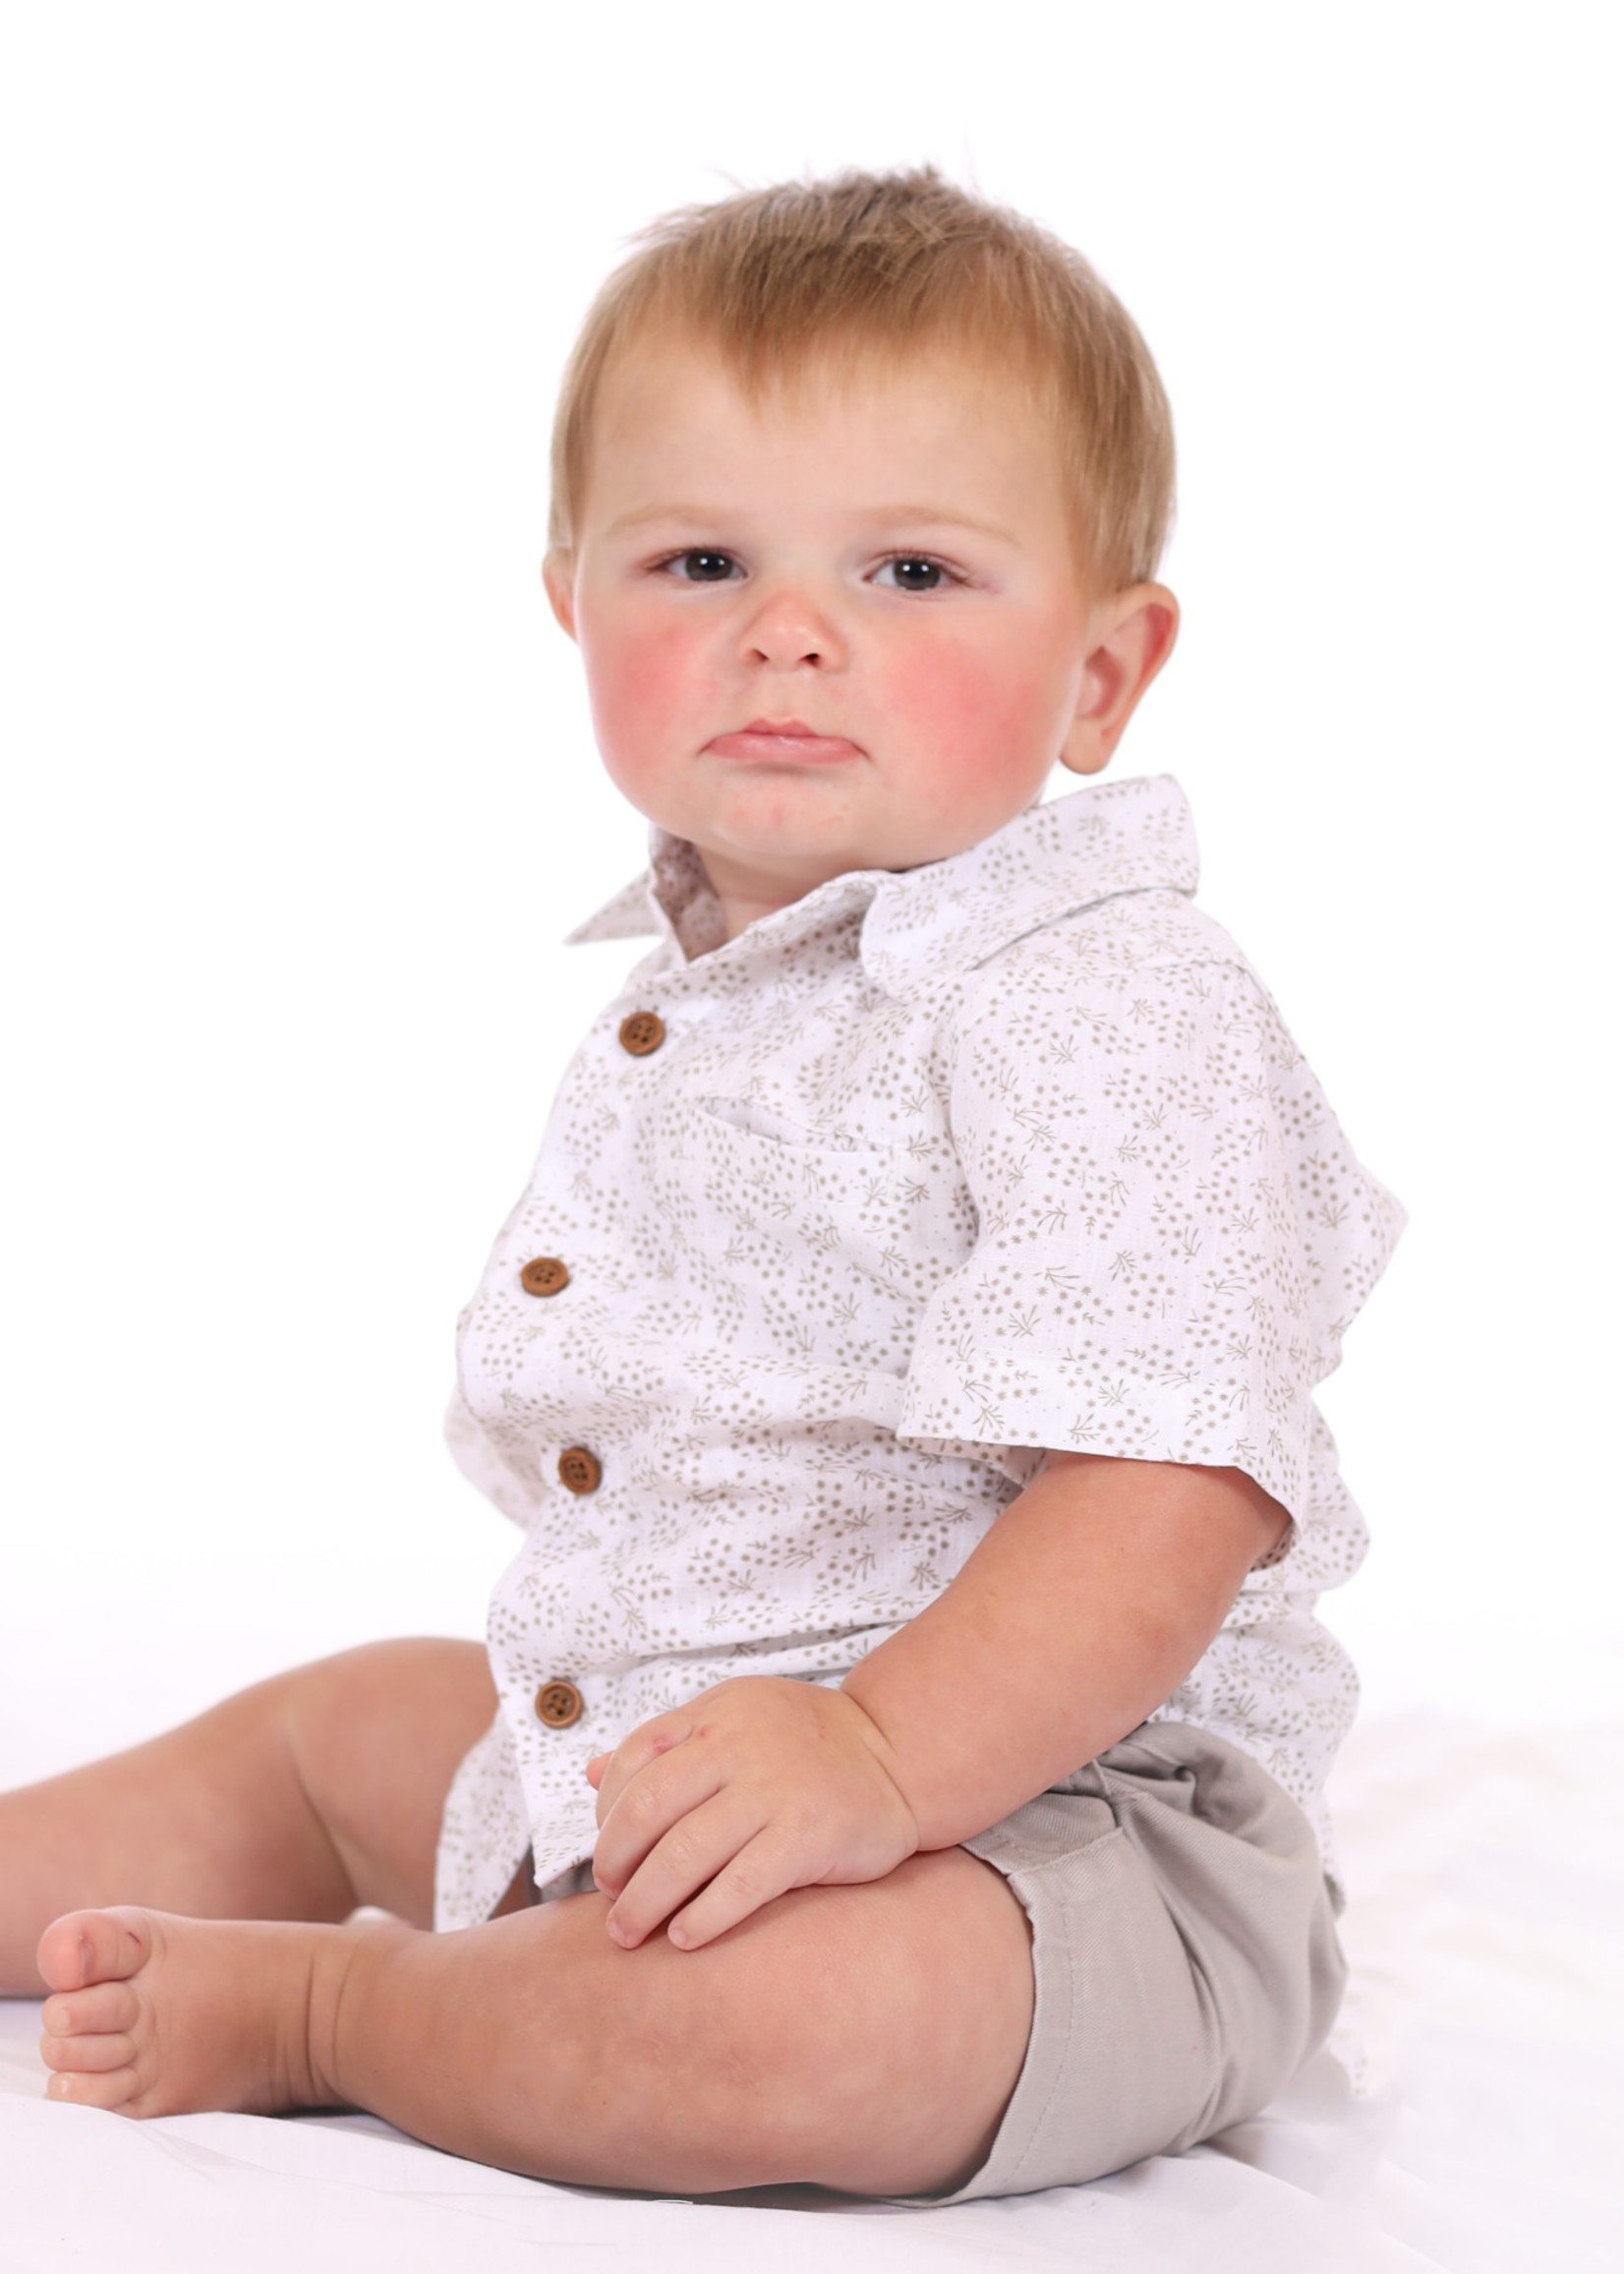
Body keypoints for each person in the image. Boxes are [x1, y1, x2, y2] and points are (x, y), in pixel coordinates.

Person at [4, 169, 1402, 2202]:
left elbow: (1167, 1486)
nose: (787, 629)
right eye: (698, 559)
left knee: (789, 2031)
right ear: (575, 608)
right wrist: (742, 1743)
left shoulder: (1103, 993)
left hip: (1069, 1830)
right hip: (679, 1741)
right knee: (335, 1733)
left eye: (913, 571)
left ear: (1102, 672)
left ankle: (331, 2011)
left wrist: (877, 1762)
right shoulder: (716, 989)